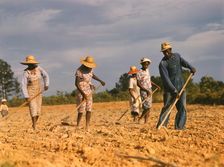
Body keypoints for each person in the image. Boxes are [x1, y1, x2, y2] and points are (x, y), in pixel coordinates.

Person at [156, 42, 196, 130]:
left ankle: (180, 127)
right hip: (170, 90)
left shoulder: (177, 56)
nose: (166, 53)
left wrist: (191, 67)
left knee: (182, 108)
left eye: (167, 51)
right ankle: (162, 126)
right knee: (167, 108)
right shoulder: (162, 64)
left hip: (181, 87)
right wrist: (174, 91)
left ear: (170, 50)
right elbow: (166, 80)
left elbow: (184, 62)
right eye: (164, 52)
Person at [75, 56, 105, 131]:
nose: (90, 67)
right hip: (81, 91)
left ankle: (87, 126)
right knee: (81, 109)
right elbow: (76, 84)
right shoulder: (79, 71)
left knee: (89, 109)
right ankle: (78, 125)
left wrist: (100, 80)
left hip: (88, 91)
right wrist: (83, 94)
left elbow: (93, 75)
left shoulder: (90, 69)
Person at [21, 55, 49, 130]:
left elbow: (46, 76)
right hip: (30, 92)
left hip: (39, 91)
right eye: (29, 64)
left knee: (38, 111)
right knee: (33, 108)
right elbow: (23, 85)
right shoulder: (26, 72)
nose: (31, 65)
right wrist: (26, 96)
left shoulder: (39, 69)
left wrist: (46, 84)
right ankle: (34, 126)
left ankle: (34, 124)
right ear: (27, 64)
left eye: (32, 63)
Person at [136, 58, 153, 123]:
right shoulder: (139, 72)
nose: (146, 65)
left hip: (149, 89)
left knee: (149, 106)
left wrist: (155, 85)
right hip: (143, 90)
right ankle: (140, 118)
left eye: (147, 64)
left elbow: (148, 80)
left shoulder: (147, 70)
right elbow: (138, 84)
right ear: (142, 64)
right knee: (146, 106)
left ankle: (146, 121)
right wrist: (146, 90)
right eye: (145, 64)